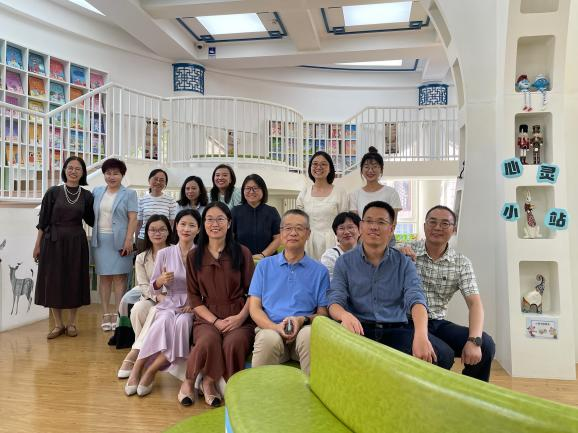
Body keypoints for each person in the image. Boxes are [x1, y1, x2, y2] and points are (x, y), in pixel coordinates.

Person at [327, 201, 454, 370]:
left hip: (395, 330)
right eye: (369, 221)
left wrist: (421, 335)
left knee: (443, 355)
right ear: (361, 226)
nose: (374, 227)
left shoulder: (404, 262)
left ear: (392, 229)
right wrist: (344, 315)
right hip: (359, 329)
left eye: (381, 222)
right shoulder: (344, 262)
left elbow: (416, 298)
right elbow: (335, 300)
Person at [403, 205, 495, 381]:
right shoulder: (407, 252)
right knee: (443, 354)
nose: (437, 227)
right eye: (432, 222)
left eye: (445, 223)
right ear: (424, 226)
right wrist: (398, 251)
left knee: (486, 344)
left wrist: (474, 341)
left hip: (437, 323)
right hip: (407, 322)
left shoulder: (461, 263)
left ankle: (470, 392)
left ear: (454, 230)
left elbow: (475, 304)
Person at [179, 202, 255, 407]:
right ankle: (189, 381)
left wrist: (240, 318)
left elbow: (253, 293)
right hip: (207, 314)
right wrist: (214, 321)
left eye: (220, 219)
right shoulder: (194, 256)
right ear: (203, 224)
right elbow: (194, 297)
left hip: (238, 314)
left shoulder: (243, 253)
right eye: (209, 219)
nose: (215, 224)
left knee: (234, 343)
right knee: (207, 341)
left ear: (229, 223)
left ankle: (214, 382)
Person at [125, 209, 200, 397]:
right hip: (169, 301)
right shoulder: (165, 253)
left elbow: (206, 287)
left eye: (192, 225)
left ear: (199, 229)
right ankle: (138, 367)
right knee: (162, 322)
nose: (186, 229)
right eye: (183, 224)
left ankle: (150, 371)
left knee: (183, 324)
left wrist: (195, 303)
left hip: (191, 305)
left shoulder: (201, 254)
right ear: (176, 227)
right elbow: (153, 287)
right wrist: (160, 281)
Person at [248, 209, 329, 375]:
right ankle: (260, 390)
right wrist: (276, 327)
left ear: (308, 234)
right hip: (271, 329)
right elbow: (254, 308)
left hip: (303, 330)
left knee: (309, 335)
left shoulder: (320, 271)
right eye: (288, 228)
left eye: (299, 228)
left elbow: (323, 314)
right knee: (268, 339)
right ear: (281, 232)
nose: (293, 233)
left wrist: (301, 320)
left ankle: (312, 389)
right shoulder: (264, 266)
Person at [33, 156, 95, 339]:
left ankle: (72, 323)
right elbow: (43, 221)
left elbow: (91, 220)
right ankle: (58, 324)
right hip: (53, 242)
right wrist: (37, 245)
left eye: (78, 169)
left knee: (74, 280)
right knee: (54, 281)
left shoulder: (87, 195)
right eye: (70, 168)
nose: (73, 171)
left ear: (83, 173)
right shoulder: (53, 192)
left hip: (76, 242)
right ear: (65, 170)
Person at [116, 215, 172, 378]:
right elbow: (143, 286)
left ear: (169, 232)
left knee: (155, 311)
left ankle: (136, 354)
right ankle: (145, 353)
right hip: (152, 297)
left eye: (162, 229)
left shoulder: (175, 253)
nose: (157, 233)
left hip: (172, 299)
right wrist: (157, 297)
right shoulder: (141, 257)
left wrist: (165, 296)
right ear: (147, 233)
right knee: (138, 309)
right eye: (153, 230)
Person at [91, 158, 138, 332]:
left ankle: (119, 314)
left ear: (122, 175)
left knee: (120, 278)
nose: (111, 177)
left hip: (121, 241)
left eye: (116, 173)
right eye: (108, 173)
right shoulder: (97, 191)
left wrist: (129, 239)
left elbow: (133, 218)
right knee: (104, 278)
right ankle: (105, 314)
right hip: (100, 240)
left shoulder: (129, 194)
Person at [296, 151, 348, 260]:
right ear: (310, 167)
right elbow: (299, 221)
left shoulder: (340, 192)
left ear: (330, 168)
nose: (319, 167)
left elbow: (344, 221)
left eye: (323, 164)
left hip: (333, 241)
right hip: (309, 242)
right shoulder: (304, 193)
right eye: (315, 164)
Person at [232, 174, 281, 260]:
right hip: (241, 261)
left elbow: (278, 238)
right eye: (248, 188)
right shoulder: (235, 211)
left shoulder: (272, 212)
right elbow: (229, 238)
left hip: (267, 260)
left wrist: (263, 255)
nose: (251, 192)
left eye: (255, 188)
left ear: (263, 190)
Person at [349, 147, 402, 221]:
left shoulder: (391, 193)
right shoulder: (355, 195)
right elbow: (356, 222)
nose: (370, 170)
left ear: (381, 169)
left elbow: (393, 222)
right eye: (366, 167)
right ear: (361, 170)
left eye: (374, 167)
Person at [136, 168, 176, 252]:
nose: (158, 182)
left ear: (165, 183)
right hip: (144, 239)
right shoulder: (141, 200)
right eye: (155, 179)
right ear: (149, 180)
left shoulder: (170, 200)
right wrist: (136, 240)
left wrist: (170, 240)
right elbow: (139, 224)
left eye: (161, 180)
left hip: (163, 240)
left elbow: (172, 224)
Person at [320, 212, 361, 279]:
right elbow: (331, 282)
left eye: (350, 227)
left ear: (360, 231)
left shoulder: (368, 253)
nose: (346, 232)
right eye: (341, 228)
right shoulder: (330, 256)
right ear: (336, 234)